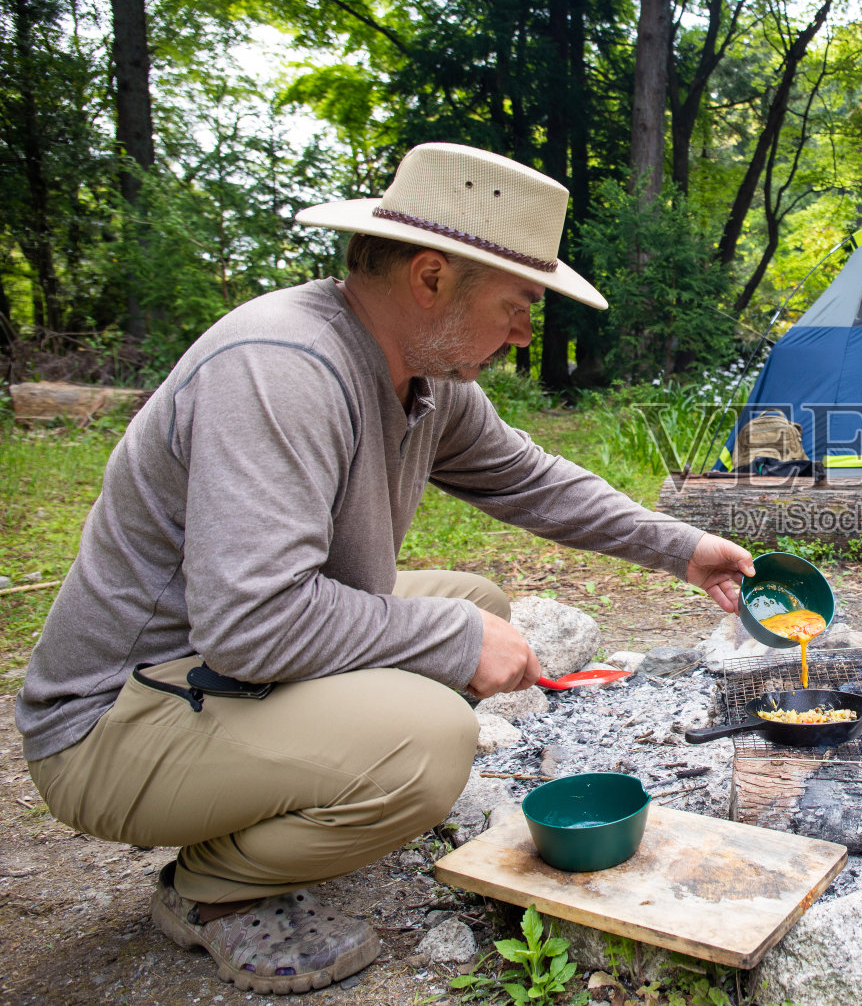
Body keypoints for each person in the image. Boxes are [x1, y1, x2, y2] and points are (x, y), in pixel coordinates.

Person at [15, 142, 755, 995]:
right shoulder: (280, 368)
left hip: (215, 669)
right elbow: (250, 622)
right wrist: (450, 637)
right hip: (115, 720)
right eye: (518, 303)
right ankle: (212, 887)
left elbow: (529, 477)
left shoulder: (423, 377)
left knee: (478, 602)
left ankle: (296, 792)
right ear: (432, 279)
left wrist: (681, 546)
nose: (524, 330)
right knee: (430, 742)